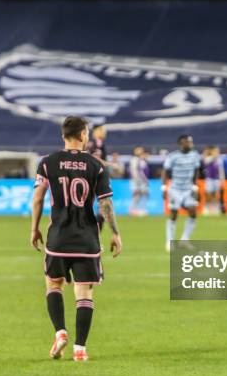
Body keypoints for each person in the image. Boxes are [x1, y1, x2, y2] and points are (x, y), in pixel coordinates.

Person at [30, 116, 122, 362]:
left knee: (54, 285)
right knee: (84, 293)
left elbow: (38, 198)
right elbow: (105, 203)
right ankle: (80, 348)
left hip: (58, 237)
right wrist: (115, 232)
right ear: (83, 135)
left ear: (63, 135)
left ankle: (60, 332)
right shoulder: (96, 165)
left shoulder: (47, 163)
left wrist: (34, 229)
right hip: (86, 240)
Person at [162, 134, 201, 251]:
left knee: (193, 211)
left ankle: (185, 240)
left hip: (188, 189)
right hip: (175, 189)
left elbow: (196, 171)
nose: (190, 144)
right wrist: (164, 188)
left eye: (190, 142)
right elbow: (165, 171)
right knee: (174, 214)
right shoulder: (173, 156)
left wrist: (195, 187)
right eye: (187, 142)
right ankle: (170, 241)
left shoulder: (195, 155)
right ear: (181, 143)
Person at [202, 145, 225, 214]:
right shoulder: (209, 158)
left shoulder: (219, 160)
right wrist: (212, 156)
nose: (216, 152)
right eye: (215, 151)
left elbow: (221, 170)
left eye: (217, 151)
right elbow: (205, 162)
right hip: (209, 179)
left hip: (216, 179)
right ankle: (206, 208)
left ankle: (215, 209)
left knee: (216, 194)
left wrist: (222, 179)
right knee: (208, 194)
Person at [129, 146, 150, 216]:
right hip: (136, 181)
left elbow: (140, 171)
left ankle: (137, 209)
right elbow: (134, 170)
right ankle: (132, 209)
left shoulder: (139, 160)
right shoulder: (134, 159)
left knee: (140, 195)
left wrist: (144, 179)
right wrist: (137, 179)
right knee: (137, 195)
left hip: (139, 180)